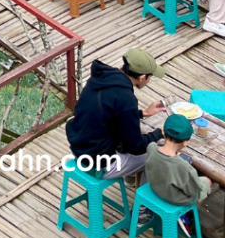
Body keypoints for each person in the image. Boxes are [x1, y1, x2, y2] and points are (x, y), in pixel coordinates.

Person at [66, 48, 166, 180]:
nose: (149, 79)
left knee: (128, 141)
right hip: (98, 164)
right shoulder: (126, 99)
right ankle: (141, 191)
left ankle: (130, 177)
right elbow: (136, 147)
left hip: (80, 147)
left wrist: (143, 113)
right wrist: (159, 133)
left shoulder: (100, 79)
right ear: (142, 78)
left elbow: (109, 113)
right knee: (157, 155)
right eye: (150, 76)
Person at [145, 113, 211, 232]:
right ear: (185, 143)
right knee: (207, 182)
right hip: (175, 199)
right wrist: (186, 168)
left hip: (155, 188)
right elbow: (193, 190)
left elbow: (160, 149)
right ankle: (187, 214)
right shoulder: (184, 167)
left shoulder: (151, 147)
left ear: (164, 133)